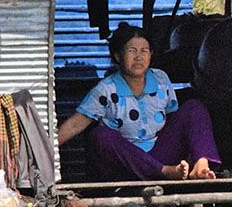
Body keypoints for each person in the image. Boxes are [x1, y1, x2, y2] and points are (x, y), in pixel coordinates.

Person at [57, 23, 221, 181]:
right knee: (99, 135)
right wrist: (42, 150)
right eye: (132, 51)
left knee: (194, 108)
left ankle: (201, 166)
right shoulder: (106, 89)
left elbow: (175, 120)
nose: (139, 57)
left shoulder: (161, 79)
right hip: (125, 165)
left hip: (160, 154)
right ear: (118, 56)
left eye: (144, 51)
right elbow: (75, 124)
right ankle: (164, 172)